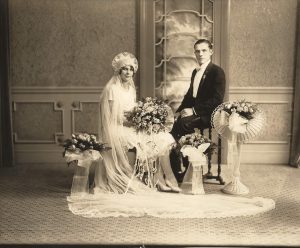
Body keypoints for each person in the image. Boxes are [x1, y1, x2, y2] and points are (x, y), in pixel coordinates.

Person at [94, 52, 180, 194]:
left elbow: (133, 110)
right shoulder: (112, 89)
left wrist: (144, 118)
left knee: (161, 137)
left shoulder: (131, 89)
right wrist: (135, 121)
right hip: (117, 127)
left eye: (131, 69)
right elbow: (111, 117)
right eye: (125, 69)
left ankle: (164, 178)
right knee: (147, 139)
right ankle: (156, 179)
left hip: (132, 125)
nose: (128, 72)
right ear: (119, 70)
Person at [170, 39, 226, 179]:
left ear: (211, 51)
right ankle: (176, 168)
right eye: (197, 51)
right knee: (173, 123)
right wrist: (178, 112)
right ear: (194, 52)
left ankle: (191, 169)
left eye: (204, 50)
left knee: (183, 124)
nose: (200, 54)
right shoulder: (196, 72)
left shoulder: (217, 72)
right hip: (197, 112)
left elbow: (216, 100)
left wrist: (193, 111)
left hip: (209, 114)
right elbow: (190, 96)